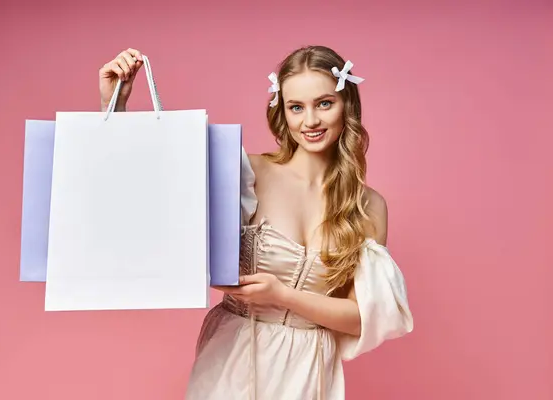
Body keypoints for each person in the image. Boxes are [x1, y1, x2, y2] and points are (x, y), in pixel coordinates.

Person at [99, 45, 414, 400]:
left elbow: (361, 317)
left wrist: (282, 295)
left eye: (324, 103)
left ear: (347, 107)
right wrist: (117, 107)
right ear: (283, 111)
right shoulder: (249, 172)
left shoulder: (368, 206)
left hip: (310, 372)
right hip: (234, 356)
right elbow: (158, 205)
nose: (310, 121)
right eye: (296, 107)